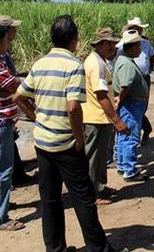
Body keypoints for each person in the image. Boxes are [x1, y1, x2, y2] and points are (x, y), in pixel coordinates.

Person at [15, 15, 114, 251]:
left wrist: (35, 117)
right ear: (74, 40)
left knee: (49, 201)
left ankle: (55, 248)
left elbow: (19, 96)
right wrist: (78, 137)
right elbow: (73, 107)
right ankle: (97, 247)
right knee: (84, 198)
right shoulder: (73, 66)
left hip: (43, 143)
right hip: (66, 145)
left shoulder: (39, 64)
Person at [82, 28, 130, 205]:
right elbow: (101, 94)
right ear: (101, 44)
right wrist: (116, 120)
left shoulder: (98, 61)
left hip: (100, 117)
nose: (113, 47)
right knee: (94, 159)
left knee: (100, 157)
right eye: (110, 44)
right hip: (96, 118)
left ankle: (100, 188)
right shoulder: (97, 64)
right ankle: (94, 193)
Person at [0, 23, 35, 232]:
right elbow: (18, 93)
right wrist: (35, 116)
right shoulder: (1, 68)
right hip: (2, 123)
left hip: (5, 123)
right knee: (4, 171)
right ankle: (2, 218)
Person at [113, 29, 149, 182]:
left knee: (124, 135)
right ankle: (130, 169)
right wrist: (120, 101)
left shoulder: (124, 60)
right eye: (138, 45)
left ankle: (123, 165)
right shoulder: (126, 63)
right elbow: (125, 86)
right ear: (132, 46)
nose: (140, 49)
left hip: (130, 103)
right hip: (131, 104)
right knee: (131, 137)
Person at [120, 17, 154, 144]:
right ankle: (141, 129)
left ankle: (141, 129)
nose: (138, 30)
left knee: (142, 105)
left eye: (139, 28)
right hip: (128, 78)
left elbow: (152, 55)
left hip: (144, 77)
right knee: (131, 105)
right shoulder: (121, 45)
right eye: (135, 28)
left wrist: (150, 68)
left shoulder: (146, 44)